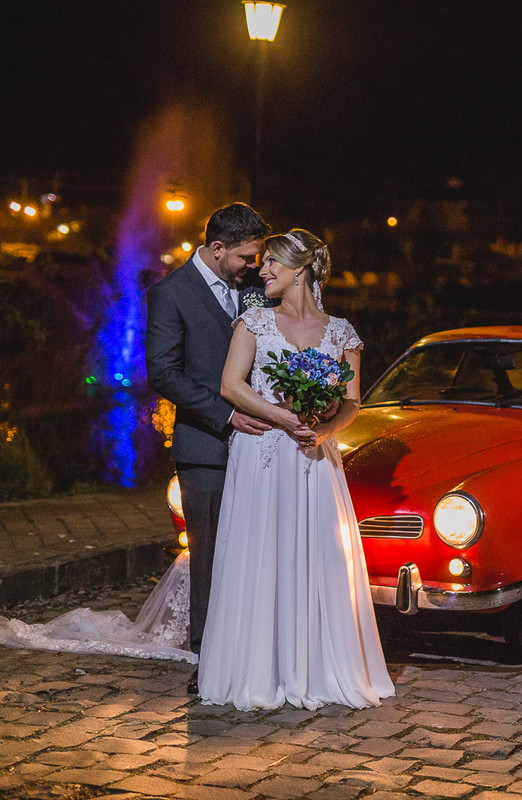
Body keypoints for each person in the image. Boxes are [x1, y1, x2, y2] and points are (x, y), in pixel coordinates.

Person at [197, 228, 394, 710]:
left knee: (316, 550)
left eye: (272, 264)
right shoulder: (254, 322)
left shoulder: (341, 331)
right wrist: (283, 417)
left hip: (313, 456)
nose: (261, 271)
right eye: (261, 264)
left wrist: (325, 431)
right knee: (261, 548)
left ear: (300, 271)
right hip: (264, 452)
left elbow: (352, 403)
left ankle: (315, 668)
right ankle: (256, 669)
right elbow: (230, 386)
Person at [145, 202, 273, 693]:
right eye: (245, 256)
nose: (254, 265)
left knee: (257, 551)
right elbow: (163, 373)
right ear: (217, 249)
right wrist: (226, 413)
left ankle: (254, 648)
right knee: (210, 558)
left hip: (264, 444)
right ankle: (209, 660)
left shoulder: (256, 289)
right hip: (207, 447)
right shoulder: (170, 294)